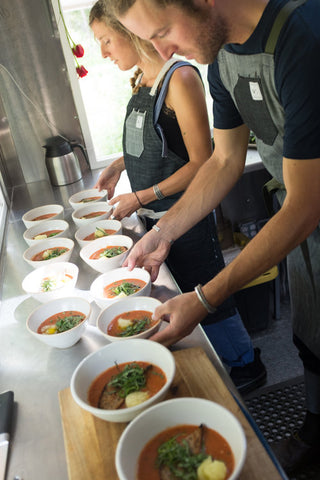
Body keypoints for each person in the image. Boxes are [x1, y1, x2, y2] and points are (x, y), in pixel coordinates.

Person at [108, 0, 320, 474]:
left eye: (163, 31)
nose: (163, 52)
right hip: (305, 220)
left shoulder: (302, 36)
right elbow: (224, 161)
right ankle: (315, 430)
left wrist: (204, 299)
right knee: (311, 336)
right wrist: (163, 231)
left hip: (308, 205)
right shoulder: (223, 52)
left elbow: (306, 203)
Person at [89, 1, 266, 393]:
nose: (103, 52)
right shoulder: (146, 79)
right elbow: (166, 144)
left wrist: (142, 197)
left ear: (130, 33)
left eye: (106, 41)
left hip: (187, 213)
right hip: (161, 220)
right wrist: (122, 165)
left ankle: (244, 365)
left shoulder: (182, 77)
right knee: (187, 294)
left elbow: (206, 160)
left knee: (207, 292)